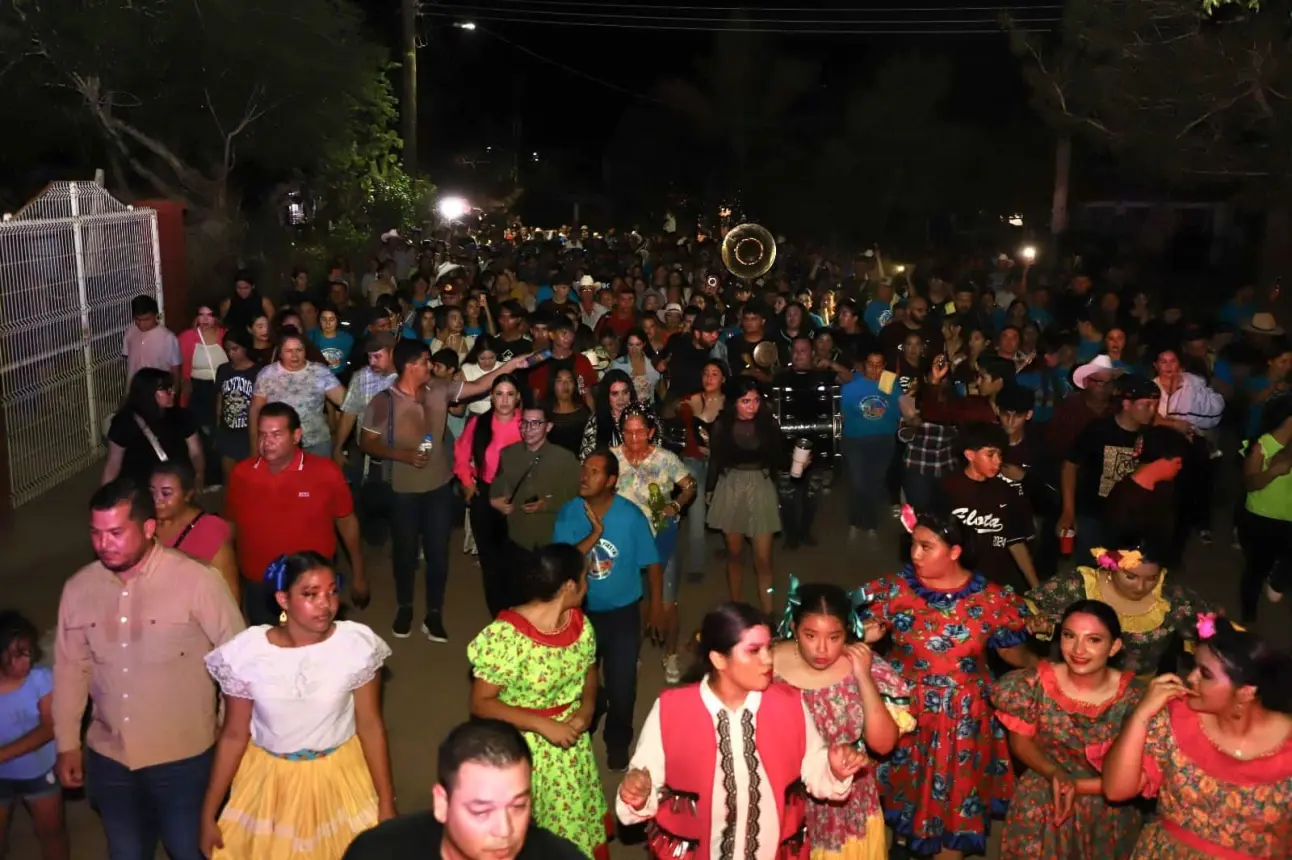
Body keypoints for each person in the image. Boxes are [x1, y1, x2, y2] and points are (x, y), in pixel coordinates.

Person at [53, 478, 244, 860]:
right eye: (96, 533)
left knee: (188, 849)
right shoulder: (79, 590)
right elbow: (71, 669)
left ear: (149, 527)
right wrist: (67, 744)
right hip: (111, 759)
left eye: (116, 533)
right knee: (125, 853)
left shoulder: (197, 581)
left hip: (184, 759)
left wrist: (230, 733)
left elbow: (237, 661)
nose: (104, 544)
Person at [615, 602, 866, 860]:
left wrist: (832, 768)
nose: (768, 659)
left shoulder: (788, 703)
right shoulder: (671, 709)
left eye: (768, 647)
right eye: (754, 651)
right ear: (718, 659)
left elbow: (813, 764)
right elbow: (644, 775)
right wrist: (638, 791)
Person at [856, 508, 1035, 859]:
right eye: (913, 545)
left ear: (955, 551)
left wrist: (1049, 671)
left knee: (954, 806)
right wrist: (863, 639)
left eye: (926, 546)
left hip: (964, 721)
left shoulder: (993, 600)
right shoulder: (893, 591)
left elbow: (1016, 656)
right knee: (902, 793)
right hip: (902, 712)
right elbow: (844, 640)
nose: (915, 555)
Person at [199, 552, 395, 860]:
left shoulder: (355, 646)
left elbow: (371, 726)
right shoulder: (248, 653)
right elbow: (234, 735)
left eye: (332, 591)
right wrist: (208, 813)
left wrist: (386, 801)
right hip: (271, 782)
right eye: (310, 594)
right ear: (282, 599)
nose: (326, 604)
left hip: (339, 775)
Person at [360, 338, 537, 641]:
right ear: (411, 365)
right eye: (426, 360)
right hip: (403, 490)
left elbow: (480, 385)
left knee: (438, 553)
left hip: (440, 486)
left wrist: (510, 365)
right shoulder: (383, 401)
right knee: (404, 553)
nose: (430, 365)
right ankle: (405, 607)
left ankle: (434, 614)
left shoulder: (439, 389)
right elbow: (367, 441)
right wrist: (402, 455)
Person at [1095, 616, 1292, 859]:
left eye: (1206, 674)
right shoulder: (1176, 716)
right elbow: (1116, 790)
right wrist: (1141, 716)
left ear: (1246, 692)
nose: (1191, 678)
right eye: (1194, 666)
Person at [466, 544, 608, 858]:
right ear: (569, 585)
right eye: (585, 578)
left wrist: (586, 707)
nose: (588, 585)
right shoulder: (506, 638)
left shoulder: (578, 623)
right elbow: (481, 703)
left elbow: (589, 671)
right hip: (520, 749)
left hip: (569, 751)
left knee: (569, 827)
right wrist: (544, 725)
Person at [992, 600, 1146, 860]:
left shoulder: (1136, 700)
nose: (1078, 649)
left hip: (1107, 804)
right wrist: (1055, 773)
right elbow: (1021, 742)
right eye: (1069, 635)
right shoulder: (1031, 684)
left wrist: (1078, 786)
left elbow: (1141, 774)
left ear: (1114, 647)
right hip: (1043, 795)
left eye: (1093, 640)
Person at [771, 581, 914, 860]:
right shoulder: (767, 667)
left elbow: (883, 745)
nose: (822, 649)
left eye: (834, 637)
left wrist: (863, 676)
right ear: (793, 628)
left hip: (847, 808)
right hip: (786, 802)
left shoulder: (861, 664)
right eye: (810, 635)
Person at [552, 450, 661, 772]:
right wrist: (593, 536)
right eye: (584, 469)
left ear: (612, 481)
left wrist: (656, 607)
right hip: (579, 613)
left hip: (623, 613)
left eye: (595, 471)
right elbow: (563, 562)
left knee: (623, 684)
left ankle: (617, 741)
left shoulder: (630, 516)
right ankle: (590, 712)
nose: (585, 476)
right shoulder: (570, 513)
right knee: (575, 680)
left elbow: (652, 565)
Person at [341, 719, 586, 859]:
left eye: (518, 806)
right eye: (481, 811)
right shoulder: (377, 854)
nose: (505, 831)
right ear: (442, 803)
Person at [225, 403, 367, 626]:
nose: (267, 442)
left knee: (313, 650)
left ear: (296, 436)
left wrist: (358, 573)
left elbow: (346, 522)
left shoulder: (325, 473)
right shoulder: (242, 474)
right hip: (259, 582)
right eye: (262, 434)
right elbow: (230, 527)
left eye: (276, 434)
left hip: (312, 585)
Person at [1025, 542, 1218, 678]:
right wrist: (1039, 624)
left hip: (1137, 690)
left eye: (1151, 578)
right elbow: (1023, 610)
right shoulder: (1077, 586)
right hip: (1079, 681)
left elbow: (1211, 635)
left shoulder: (1171, 596)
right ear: (1111, 564)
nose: (1141, 587)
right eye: (1130, 576)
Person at [609, 404, 697, 684]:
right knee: (633, 605)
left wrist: (676, 503)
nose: (634, 439)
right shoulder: (611, 459)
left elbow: (689, 486)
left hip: (661, 537)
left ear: (651, 432)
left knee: (667, 604)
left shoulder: (665, 459)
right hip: (624, 543)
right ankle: (631, 652)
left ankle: (670, 653)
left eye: (640, 433)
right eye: (628, 433)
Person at [705, 377, 785, 612]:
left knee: (763, 560)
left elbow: (779, 458)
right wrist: (710, 490)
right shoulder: (722, 425)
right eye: (745, 401)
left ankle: (768, 612)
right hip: (731, 486)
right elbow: (715, 460)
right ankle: (737, 608)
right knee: (735, 554)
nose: (752, 406)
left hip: (760, 486)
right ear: (734, 403)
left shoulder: (768, 424)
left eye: (756, 401)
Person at [1060, 375, 1160, 559]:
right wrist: (1068, 511)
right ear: (1127, 404)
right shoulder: (1098, 430)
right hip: (1093, 514)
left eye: (1155, 405)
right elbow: (1070, 466)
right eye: (1147, 405)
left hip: (1130, 520)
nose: (1152, 411)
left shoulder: (1152, 437)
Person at [455, 374, 525, 617]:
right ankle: (500, 616)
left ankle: (520, 615)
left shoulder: (529, 425)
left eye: (510, 394)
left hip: (520, 501)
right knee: (491, 563)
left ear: (518, 398)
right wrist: (467, 482)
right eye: (499, 394)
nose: (504, 400)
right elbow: (461, 453)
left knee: (519, 562)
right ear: (491, 397)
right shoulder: (479, 424)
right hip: (486, 498)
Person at [0, 611, 67, 860]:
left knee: (52, 832)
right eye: (17, 655)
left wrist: (4, 754)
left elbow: (49, 728)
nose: (26, 661)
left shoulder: (40, 679)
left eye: (29, 652)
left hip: (39, 771)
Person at [941, 422, 1039, 591]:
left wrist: (1036, 587)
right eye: (990, 455)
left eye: (1000, 455)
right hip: (956, 582)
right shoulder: (948, 488)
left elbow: (1015, 542)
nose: (998, 461)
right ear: (970, 455)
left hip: (996, 582)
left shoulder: (1006, 491)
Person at [489, 404, 581, 565]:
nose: (528, 429)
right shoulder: (508, 454)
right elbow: (496, 488)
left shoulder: (565, 458)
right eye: (524, 423)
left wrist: (547, 504)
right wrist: (496, 502)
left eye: (536, 423)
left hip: (553, 536)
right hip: (518, 536)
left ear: (548, 427)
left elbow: (575, 495)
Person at [149, 460, 238, 599]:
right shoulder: (144, 523)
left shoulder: (210, 531)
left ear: (187, 495)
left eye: (166, 494)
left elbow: (230, 595)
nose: (157, 500)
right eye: (152, 492)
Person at [248, 330, 345, 458]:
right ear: (280, 353)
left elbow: (346, 401)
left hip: (317, 443)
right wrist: (255, 446)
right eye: (289, 351)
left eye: (299, 350)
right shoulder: (267, 374)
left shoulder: (320, 372)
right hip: (280, 444)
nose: (295, 356)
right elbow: (255, 411)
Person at [103, 367, 204, 488]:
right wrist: (105, 494)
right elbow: (114, 462)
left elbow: (196, 452)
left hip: (173, 486)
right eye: (167, 389)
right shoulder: (124, 422)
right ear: (148, 392)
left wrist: (198, 475)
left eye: (171, 388)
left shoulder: (182, 416)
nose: (173, 392)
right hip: (139, 490)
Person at [1238, 395, 1292, 621]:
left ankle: (1278, 580)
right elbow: (1249, 484)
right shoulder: (1262, 445)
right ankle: (1248, 614)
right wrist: (1272, 472)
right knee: (1256, 570)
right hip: (1262, 518)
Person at [839, 348, 902, 539]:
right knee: (859, 482)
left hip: (883, 440)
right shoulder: (851, 387)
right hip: (855, 440)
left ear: (884, 367)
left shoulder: (891, 384)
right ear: (863, 365)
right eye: (870, 364)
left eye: (879, 365)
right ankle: (855, 519)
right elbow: (842, 415)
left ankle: (871, 521)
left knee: (875, 482)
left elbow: (903, 411)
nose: (874, 369)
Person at [213, 330, 262, 479]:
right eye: (227, 350)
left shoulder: (258, 372)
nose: (231, 354)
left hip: (249, 433)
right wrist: (218, 428)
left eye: (235, 349)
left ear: (245, 347)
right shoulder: (223, 369)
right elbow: (219, 400)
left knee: (250, 478)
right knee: (229, 478)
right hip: (228, 431)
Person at [122, 294, 181, 385]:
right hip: (134, 389)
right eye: (138, 320)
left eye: (146, 320)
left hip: (157, 391)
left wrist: (174, 393)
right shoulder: (130, 333)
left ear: (156, 316)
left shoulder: (168, 338)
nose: (142, 324)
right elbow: (127, 359)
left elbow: (175, 369)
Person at [579, 370, 636, 460]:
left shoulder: (640, 416)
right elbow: (586, 460)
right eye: (615, 394)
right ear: (606, 396)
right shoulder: (596, 421)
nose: (621, 399)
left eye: (625, 392)